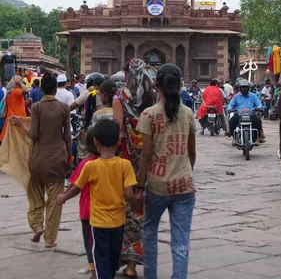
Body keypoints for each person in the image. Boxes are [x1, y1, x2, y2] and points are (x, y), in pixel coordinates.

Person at [57, 119, 138, 279]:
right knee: (113, 259)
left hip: (99, 223)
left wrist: (64, 197)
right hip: (118, 222)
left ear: (95, 141)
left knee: (101, 260)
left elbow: (77, 188)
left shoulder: (90, 166)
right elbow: (129, 194)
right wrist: (136, 204)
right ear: (118, 141)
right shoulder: (125, 165)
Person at [137, 63, 196, 279]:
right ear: (180, 84)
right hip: (184, 185)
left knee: (149, 231)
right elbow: (192, 152)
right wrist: (184, 171)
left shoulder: (149, 115)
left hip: (156, 185)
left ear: (156, 85)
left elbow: (146, 155)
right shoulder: (188, 114)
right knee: (181, 242)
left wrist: (139, 185)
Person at [10, 71, 72, 246]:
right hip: (58, 158)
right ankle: (50, 239)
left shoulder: (36, 107)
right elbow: (67, 137)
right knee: (54, 202)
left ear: (42, 89)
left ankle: (37, 226)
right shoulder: (63, 108)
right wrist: (69, 158)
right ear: (55, 88)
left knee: (35, 197)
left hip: (37, 159)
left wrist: (22, 124)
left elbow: (34, 134)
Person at [113, 58, 157, 278]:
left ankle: (115, 259)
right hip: (148, 164)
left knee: (121, 209)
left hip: (124, 161)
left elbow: (118, 132)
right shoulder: (152, 97)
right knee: (141, 213)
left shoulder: (120, 98)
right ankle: (133, 264)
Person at [65, 128, 99, 278]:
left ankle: (94, 272)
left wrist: (63, 197)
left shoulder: (85, 164)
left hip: (88, 212)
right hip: (110, 213)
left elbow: (74, 186)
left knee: (89, 243)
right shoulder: (119, 163)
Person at [0, 76, 29, 143]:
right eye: (20, 81)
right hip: (18, 120)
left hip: (11, 118)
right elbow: (26, 90)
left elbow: (17, 105)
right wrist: (21, 84)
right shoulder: (16, 91)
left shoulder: (9, 93)